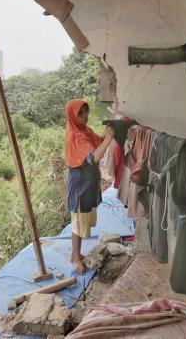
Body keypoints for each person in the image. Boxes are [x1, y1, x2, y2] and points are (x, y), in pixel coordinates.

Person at [65, 99, 114, 275]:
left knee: (82, 220)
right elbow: (93, 157)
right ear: (72, 115)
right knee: (78, 223)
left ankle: (74, 254)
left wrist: (106, 135)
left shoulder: (84, 131)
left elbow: (98, 142)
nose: (85, 116)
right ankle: (76, 258)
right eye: (80, 113)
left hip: (87, 184)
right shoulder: (76, 136)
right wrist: (108, 139)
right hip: (80, 186)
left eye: (86, 112)